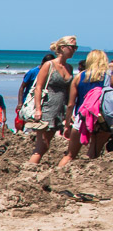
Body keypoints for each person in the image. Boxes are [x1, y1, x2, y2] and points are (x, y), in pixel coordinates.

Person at [28, 36, 76, 165]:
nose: (74, 50)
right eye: (72, 47)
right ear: (62, 48)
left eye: (75, 47)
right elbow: (38, 87)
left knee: (46, 145)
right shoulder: (49, 65)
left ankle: (31, 169)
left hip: (60, 110)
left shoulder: (69, 68)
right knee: (41, 146)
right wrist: (38, 109)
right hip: (47, 109)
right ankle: (28, 170)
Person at [59, 49, 110, 167]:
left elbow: (71, 104)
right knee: (95, 153)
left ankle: (56, 173)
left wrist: (67, 125)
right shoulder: (109, 77)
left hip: (82, 119)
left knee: (70, 155)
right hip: (102, 119)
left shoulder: (79, 77)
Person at [16, 53, 56, 132]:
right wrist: (20, 103)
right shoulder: (33, 72)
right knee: (27, 124)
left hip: (42, 101)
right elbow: (22, 87)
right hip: (30, 101)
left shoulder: (50, 73)